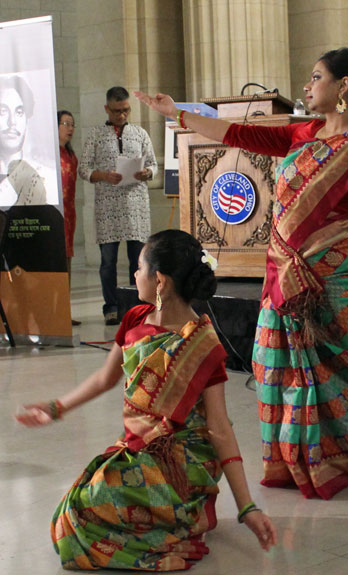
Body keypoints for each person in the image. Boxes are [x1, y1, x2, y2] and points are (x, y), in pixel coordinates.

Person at [135, 47, 348, 501]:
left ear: (343, 87)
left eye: (316, 77)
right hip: (282, 280)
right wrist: (176, 112)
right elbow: (236, 133)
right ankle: (301, 462)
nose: (307, 85)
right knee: (274, 368)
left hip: (333, 284)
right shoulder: (304, 132)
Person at [15, 229, 277, 571]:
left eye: (140, 267)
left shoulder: (202, 344)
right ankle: (175, 520)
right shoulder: (135, 320)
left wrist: (247, 508)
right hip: (137, 449)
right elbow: (104, 379)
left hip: (179, 462)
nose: (135, 274)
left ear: (160, 281)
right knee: (70, 517)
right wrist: (55, 407)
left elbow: (219, 428)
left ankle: (183, 511)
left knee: (79, 519)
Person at [79, 86, 158, 326]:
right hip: (107, 208)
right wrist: (103, 175)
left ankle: (137, 307)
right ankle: (111, 307)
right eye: (116, 111)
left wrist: (147, 172)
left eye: (125, 110)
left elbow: (155, 165)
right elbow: (84, 169)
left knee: (139, 262)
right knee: (107, 262)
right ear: (107, 109)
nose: (121, 115)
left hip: (136, 206)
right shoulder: (95, 135)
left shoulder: (140, 133)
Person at [0, 74, 47, 207]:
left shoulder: (43, 175)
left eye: (19, 112)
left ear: (27, 119)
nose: (12, 122)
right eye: (3, 111)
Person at [58, 110, 80, 326]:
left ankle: (65, 311)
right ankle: (55, 313)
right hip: (54, 216)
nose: (70, 128)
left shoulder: (71, 155)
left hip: (69, 215)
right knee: (56, 264)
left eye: (72, 124)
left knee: (67, 263)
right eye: (65, 123)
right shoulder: (50, 154)